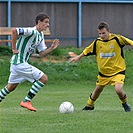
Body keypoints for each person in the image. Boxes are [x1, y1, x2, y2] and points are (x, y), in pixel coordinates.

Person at [0, 12, 59, 112]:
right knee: (44, 78)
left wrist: (51, 48)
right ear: (39, 22)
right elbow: (14, 31)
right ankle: (26, 101)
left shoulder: (40, 35)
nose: (48, 25)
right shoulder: (31, 31)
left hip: (17, 64)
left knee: (10, 87)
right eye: (46, 22)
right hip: (19, 63)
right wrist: (13, 48)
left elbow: (41, 54)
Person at [69, 21, 132, 112]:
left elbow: (130, 42)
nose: (102, 35)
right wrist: (78, 57)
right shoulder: (97, 42)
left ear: (109, 31)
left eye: (104, 33)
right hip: (104, 73)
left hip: (118, 71)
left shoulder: (117, 39)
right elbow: (87, 50)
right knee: (97, 90)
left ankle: (125, 103)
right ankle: (89, 105)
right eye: (99, 33)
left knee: (118, 90)